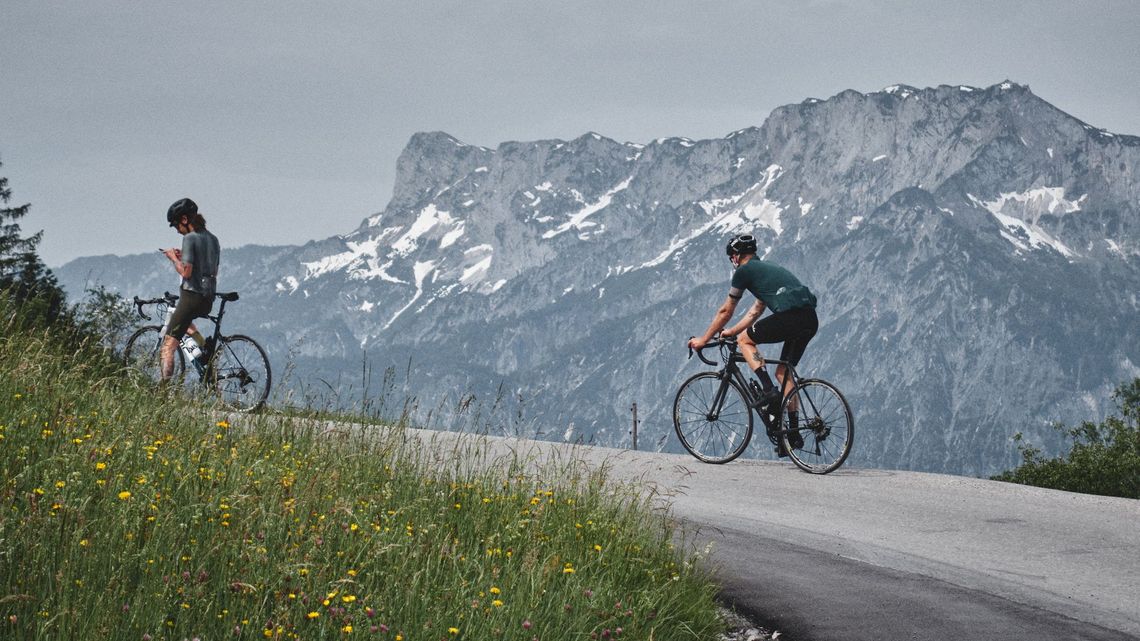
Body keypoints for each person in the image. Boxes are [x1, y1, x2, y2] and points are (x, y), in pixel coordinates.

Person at [688, 233, 818, 455]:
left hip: (789, 317)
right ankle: (793, 433)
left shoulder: (744, 272)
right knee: (784, 372)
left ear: (737, 256)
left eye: (732, 257)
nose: (732, 261)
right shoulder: (766, 270)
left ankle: (768, 391)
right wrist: (729, 331)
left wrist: (703, 339)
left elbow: (726, 310)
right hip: (809, 319)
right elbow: (756, 311)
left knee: (745, 340)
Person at [160, 198, 221, 381]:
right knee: (187, 326)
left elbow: (186, 272)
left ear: (185, 220)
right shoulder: (213, 239)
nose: (177, 230)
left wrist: (173, 258)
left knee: (168, 346)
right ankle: (205, 349)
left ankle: (162, 393)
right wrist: (184, 256)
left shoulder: (189, 238)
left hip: (190, 297)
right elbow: (213, 271)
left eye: (176, 225)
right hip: (208, 299)